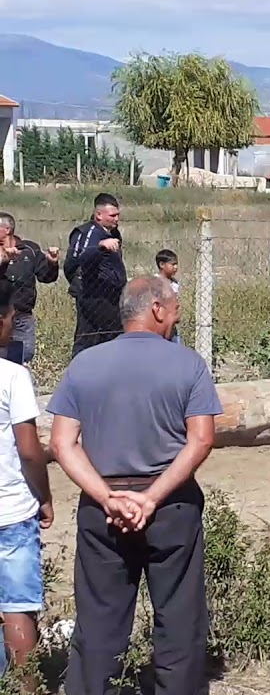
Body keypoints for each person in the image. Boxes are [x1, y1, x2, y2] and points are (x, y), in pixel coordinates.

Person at [48, 276, 223, 695]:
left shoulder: (84, 365)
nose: (177, 318)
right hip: (170, 507)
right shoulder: (188, 364)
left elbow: (61, 442)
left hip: (101, 509)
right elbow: (201, 439)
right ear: (158, 310)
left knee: (99, 623)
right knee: (179, 620)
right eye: (176, 310)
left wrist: (107, 496)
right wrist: (150, 498)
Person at [0, 278, 53, 692]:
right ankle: (26, 688)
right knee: (17, 608)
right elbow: (29, 449)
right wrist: (45, 496)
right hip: (12, 509)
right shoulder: (13, 376)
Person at [65, 192, 125, 356]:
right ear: (99, 215)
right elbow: (78, 260)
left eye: (118, 215)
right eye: (112, 215)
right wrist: (100, 247)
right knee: (90, 337)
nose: (116, 219)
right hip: (92, 296)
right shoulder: (88, 233)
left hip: (111, 296)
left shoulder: (113, 233)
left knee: (105, 339)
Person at [0, 213, 59, 365]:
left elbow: (46, 277)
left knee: (21, 358)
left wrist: (52, 264)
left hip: (22, 316)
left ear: (7, 229)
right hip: (2, 317)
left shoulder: (29, 249)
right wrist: (4, 262)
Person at [155, 249, 182, 346]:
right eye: (173, 264)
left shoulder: (175, 283)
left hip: (172, 325)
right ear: (162, 264)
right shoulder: (155, 283)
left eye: (176, 264)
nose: (176, 267)